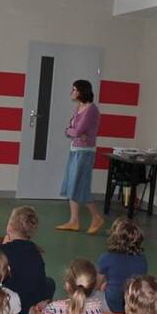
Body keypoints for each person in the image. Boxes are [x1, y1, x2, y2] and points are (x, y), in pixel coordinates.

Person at [56, 79, 105, 235]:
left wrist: (73, 131)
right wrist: (72, 131)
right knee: (72, 184)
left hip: (85, 152)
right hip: (75, 149)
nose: (72, 92)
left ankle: (96, 217)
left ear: (82, 91)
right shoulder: (79, 108)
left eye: (74, 89)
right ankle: (74, 221)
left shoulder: (91, 110)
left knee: (80, 186)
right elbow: (71, 129)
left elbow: (76, 131)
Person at [0, 206, 55, 313]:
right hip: (33, 304)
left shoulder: (2, 250)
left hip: (13, 304)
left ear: (9, 227)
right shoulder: (35, 249)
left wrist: (3, 245)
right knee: (50, 282)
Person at [95, 217, 148, 313]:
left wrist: (105, 286)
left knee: (88, 294)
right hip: (133, 307)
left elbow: (96, 285)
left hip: (112, 305)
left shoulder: (107, 257)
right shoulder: (142, 260)